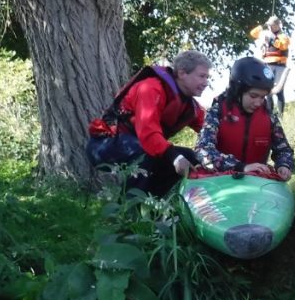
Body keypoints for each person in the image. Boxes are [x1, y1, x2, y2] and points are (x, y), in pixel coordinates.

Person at [86, 50, 210, 197]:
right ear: (182, 73)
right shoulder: (151, 88)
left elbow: (210, 131)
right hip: (107, 145)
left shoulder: (191, 106)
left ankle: (151, 207)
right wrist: (175, 157)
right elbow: (148, 133)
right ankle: (129, 212)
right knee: (150, 153)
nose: (205, 83)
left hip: (140, 146)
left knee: (189, 156)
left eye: (207, 77)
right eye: (202, 76)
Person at [195, 57, 295, 180]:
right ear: (238, 90)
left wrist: (284, 165)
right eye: (253, 96)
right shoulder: (217, 111)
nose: (258, 103)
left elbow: (284, 150)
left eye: (263, 97)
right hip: (221, 178)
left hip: (256, 179)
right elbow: (203, 151)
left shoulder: (269, 116)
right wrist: (240, 167)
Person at [249, 14, 290, 114]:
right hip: (267, 64)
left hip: (280, 65)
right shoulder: (265, 33)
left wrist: (271, 40)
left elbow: (283, 46)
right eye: (269, 25)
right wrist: (262, 26)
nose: (270, 27)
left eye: (272, 25)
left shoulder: (283, 36)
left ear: (277, 25)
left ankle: (281, 115)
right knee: (268, 90)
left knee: (279, 90)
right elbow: (253, 33)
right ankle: (269, 114)